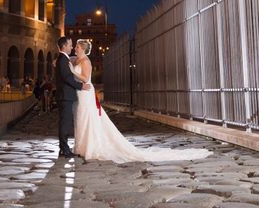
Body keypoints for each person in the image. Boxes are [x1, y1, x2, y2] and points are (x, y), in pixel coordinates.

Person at [70, 39, 212, 163]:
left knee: (87, 118)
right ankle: (82, 146)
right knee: (81, 118)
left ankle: (89, 147)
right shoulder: (77, 60)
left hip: (86, 93)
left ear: (82, 49)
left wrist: (72, 71)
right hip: (80, 93)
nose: (75, 48)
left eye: (76, 47)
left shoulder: (86, 62)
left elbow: (85, 78)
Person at [55, 36, 91, 158]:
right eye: (71, 45)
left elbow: (73, 76)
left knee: (69, 121)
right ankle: (64, 149)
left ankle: (64, 148)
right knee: (65, 123)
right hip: (66, 95)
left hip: (70, 95)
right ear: (64, 46)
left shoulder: (66, 59)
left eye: (75, 46)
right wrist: (80, 86)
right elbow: (67, 78)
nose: (72, 47)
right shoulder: (63, 59)